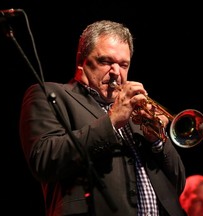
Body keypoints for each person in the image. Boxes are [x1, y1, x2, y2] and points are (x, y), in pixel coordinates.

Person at [19, 20, 187, 216]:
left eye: (123, 65)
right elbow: (44, 161)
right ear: (81, 60)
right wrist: (112, 121)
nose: (116, 72)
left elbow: (177, 184)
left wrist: (157, 141)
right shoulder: (48, 94)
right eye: (106, 62)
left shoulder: (137, 112)